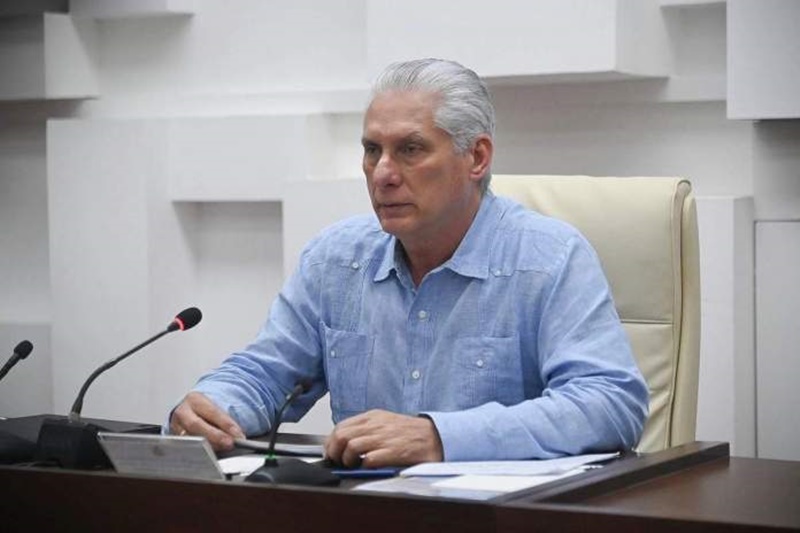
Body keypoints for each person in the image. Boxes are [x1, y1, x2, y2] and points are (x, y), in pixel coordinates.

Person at [169, 58, 649, 468]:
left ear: (477, 158)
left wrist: (441, 437)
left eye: (410, 150)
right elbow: (266, 375)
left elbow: (609, 404)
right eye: (371, 150)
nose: (382, 174)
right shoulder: (335, 260)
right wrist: (212, 405)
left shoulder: (548, 258)